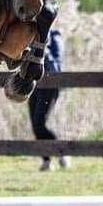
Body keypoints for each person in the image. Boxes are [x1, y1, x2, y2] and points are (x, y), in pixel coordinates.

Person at [28, 28, 70, 171]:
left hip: (50, 86)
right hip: (33, 85)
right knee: (35, 126)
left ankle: (62, 152)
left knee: (40, 124)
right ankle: (46, 161)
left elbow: (56, 61)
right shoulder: (29, 34)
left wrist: (40, 49)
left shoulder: (54, 36)